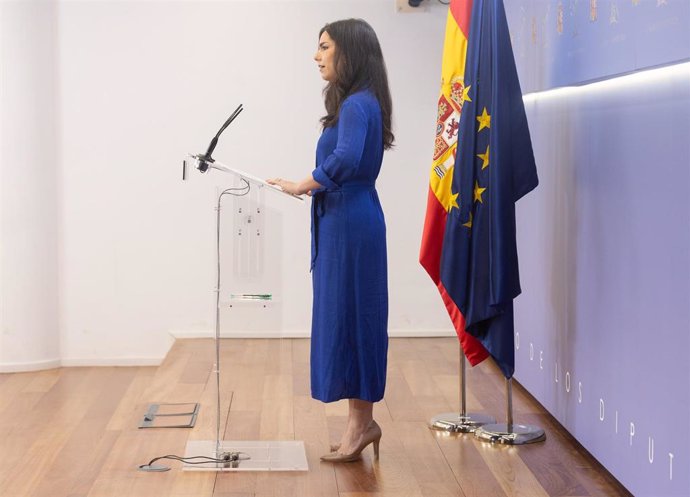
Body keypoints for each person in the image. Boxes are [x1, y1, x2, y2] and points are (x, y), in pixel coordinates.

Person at [268, 18, 393, 463]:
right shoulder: (357, 102)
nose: (317, 56)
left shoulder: (359, 105)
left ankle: (361, 425)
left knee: (356, 317)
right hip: (344, 218)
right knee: (347, 315)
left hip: (351, 224)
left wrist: (304, 183)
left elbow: (345, 158)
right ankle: (360, 423)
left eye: (324, 47)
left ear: (350, 52)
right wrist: (307, 185)